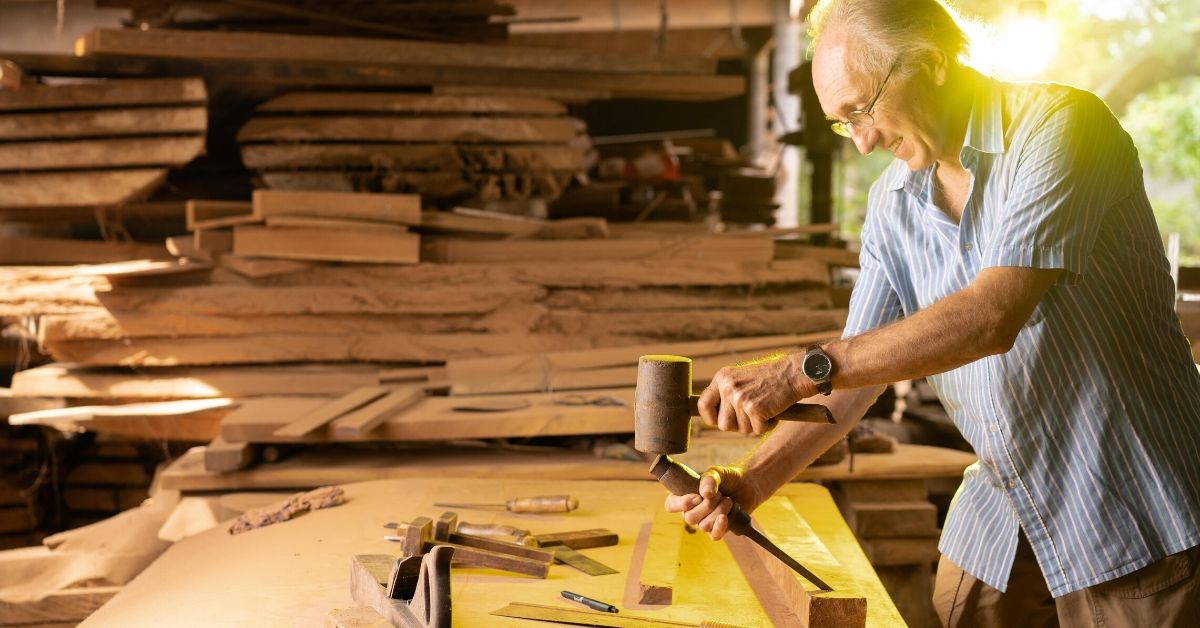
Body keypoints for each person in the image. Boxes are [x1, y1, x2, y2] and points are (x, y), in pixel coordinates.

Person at [665, 0, 1200, 625]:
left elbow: (993, 316)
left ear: (933, 62)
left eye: (863, 108)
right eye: (843, 123)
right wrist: (751, 483)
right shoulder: (892, 202)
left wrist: (796, 373)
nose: (862, 141)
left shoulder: (1063, 126)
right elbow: (851, 384)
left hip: (1130, 511)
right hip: (1003, 515)